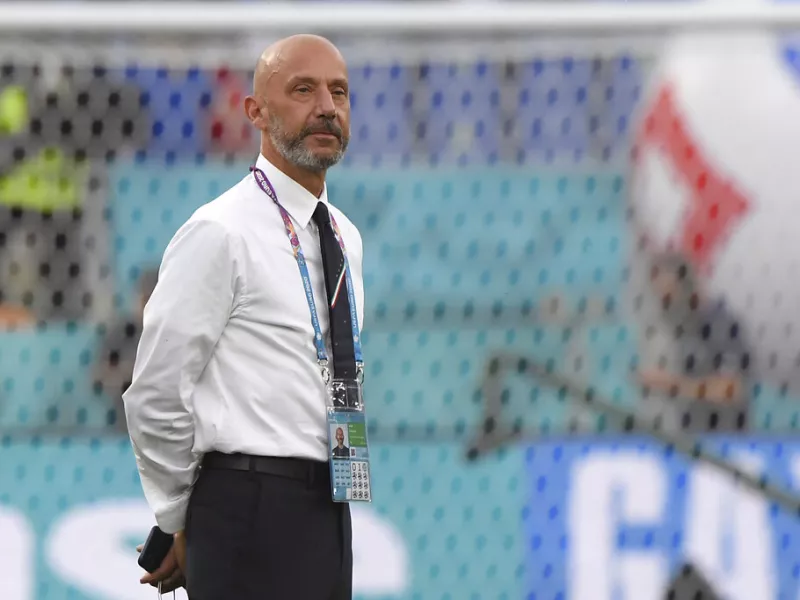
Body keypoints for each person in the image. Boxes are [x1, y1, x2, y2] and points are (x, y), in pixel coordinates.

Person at [123, 34, 363, 599]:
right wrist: (176, 518)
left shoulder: (344, 237)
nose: (326, 107)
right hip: (247, 505)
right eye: (302, 90)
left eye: (338, 92)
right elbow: (156, 393)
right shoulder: (220, 231)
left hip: (330, 504)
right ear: (255, 111)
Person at [635, 251, 751, 433]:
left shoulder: (721, 325)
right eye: (661, 297)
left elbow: (731, 389)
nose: (666, 303)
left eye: (670, 294)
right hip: (690, 434)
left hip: (725, 436)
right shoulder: (680, 327)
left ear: (685, 286)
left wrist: (670, 384)